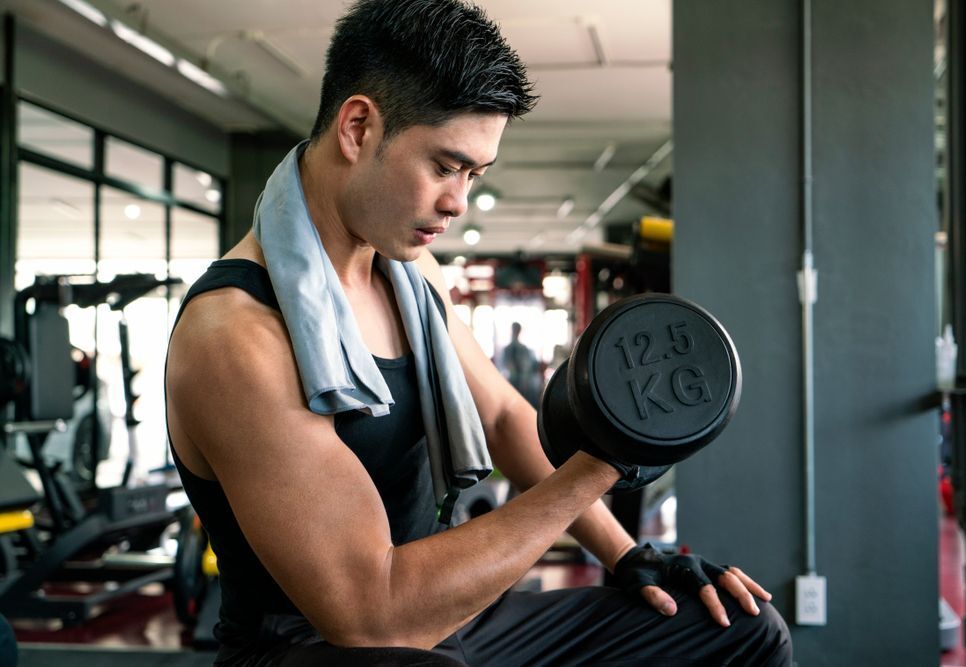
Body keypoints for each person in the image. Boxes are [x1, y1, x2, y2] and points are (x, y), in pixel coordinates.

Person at [164, 1, 792, 665]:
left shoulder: (408, 273)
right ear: (356, 128)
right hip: (325, 644)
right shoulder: (236, 337)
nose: (459, 202)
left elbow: (500, 412)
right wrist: (601, 462)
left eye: (475, 175)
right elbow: (368, 612)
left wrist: (629, 553)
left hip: (439, 622)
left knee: (741, 631)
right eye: (444, 165)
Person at [499, 322, 541, 407]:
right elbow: (505, 366)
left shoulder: (524, 349)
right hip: (512, 382)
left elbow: (529, 366)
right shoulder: (507, 349)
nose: (516, 332)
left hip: (524, 384)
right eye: (515, 330)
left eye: (517, 330)